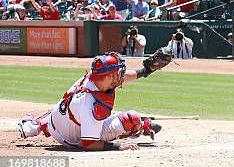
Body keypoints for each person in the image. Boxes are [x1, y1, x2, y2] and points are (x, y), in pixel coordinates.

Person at [17, 51, 171, 150]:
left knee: (72, 109)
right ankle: (138, 127)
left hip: (54, 120)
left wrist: (146, 70)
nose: (120, 75)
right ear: (109, 76)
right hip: (71, 140)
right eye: (117, 73)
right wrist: (118, 146)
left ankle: (37, 125)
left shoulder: (94, 77)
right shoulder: (92, 104)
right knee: (131, 118)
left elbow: (121, 78)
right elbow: (89, 144)